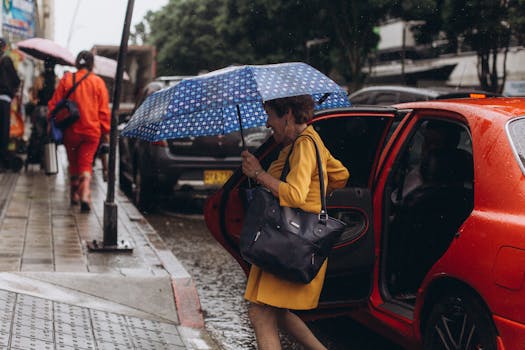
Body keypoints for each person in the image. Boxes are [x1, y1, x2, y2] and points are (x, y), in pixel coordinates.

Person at [241, 95, 349, 350]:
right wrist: (318, 195)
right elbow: (340, 175)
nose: (267, 123)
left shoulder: (303, 145)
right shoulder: (305, 142)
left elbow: (295, 195)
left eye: (270, 115)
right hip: (289, 241)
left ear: (287, 114)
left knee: (261, 314)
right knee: (276, 313)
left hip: (289, 241)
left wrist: (258, 173)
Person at [48, 50, 110, 212]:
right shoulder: (98, 83)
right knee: (86, 162)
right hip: (92, 131)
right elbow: (103, 112)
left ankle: (74, 194)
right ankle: (85, 194)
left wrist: (51, 121)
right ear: (91, 64)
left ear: (76, 63)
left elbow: (54, 104)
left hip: (71, 130)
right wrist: (105, 132)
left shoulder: (67, 80)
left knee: (73, 162)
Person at [0, 37, 21, 170]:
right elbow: (16, 80)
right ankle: (1, 163)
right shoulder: (6, 60)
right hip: (4, 100)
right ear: (5, 47)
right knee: (3, 132)